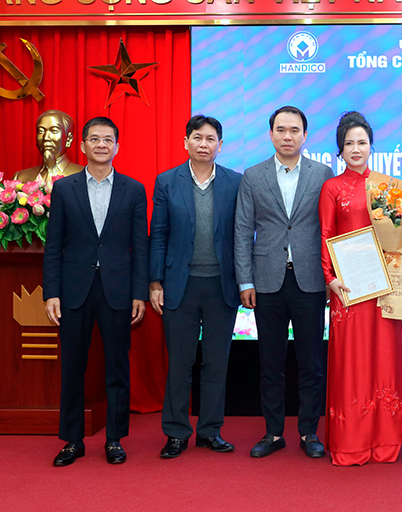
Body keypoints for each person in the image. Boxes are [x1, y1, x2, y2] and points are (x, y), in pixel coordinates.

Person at [43, 116, 148, 466]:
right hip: (74, 290)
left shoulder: (133, 189)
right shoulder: (64, 188)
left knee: (117, 367)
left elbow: (140, 246)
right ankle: (72, 440)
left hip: (118, 290)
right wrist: (51, 292)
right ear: (83, 145)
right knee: (73, 366)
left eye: (108, 139)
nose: (102, 145)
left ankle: (115, 439)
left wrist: (139, 293)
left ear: (117, 146)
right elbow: (54, 245)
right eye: (95, 139)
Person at [320, 111, 402, 466]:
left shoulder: (388, 188)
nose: (356, 149)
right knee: (352, 362)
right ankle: (352, 442)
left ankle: (385, 440)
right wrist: (330, 278)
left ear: (371, 146)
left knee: (384, 359)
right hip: (348, 288)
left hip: (384, 287)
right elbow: (326, 234)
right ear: (340, 149)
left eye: (362, 142)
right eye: (349, 143)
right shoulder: (332, 188)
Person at [235, 106, 333, 459]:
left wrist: (331, 277)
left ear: (305, 135)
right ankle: (273, 432)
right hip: (266, 281)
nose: (287, 136)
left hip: (310, 280)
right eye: (281, 130)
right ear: (271, 134)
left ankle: (309, 432)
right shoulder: (253, 176)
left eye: (294, 130)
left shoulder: (322, 174)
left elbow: (331, 228)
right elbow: (243, 231)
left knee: (312, 364)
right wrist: (245, 280)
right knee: (270, 363)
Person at [149, 115, 242, 459]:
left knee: (216, 363)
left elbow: (243, 235)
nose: (204, 144)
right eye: (198, 137)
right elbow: (158, 234)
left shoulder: (236, 182)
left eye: (211, 138)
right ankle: (176, 433)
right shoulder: (167, 182)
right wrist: (155, 282)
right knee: (180, 363)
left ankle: (210, 431)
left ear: (221, 145)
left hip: (221, 285)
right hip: (180, 285)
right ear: (185, 142)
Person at [13, 109, 85, 182]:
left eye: (54, 131)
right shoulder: (20, 178)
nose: (46, 137)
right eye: (41, 131)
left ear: (68, 139)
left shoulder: (84, 176)